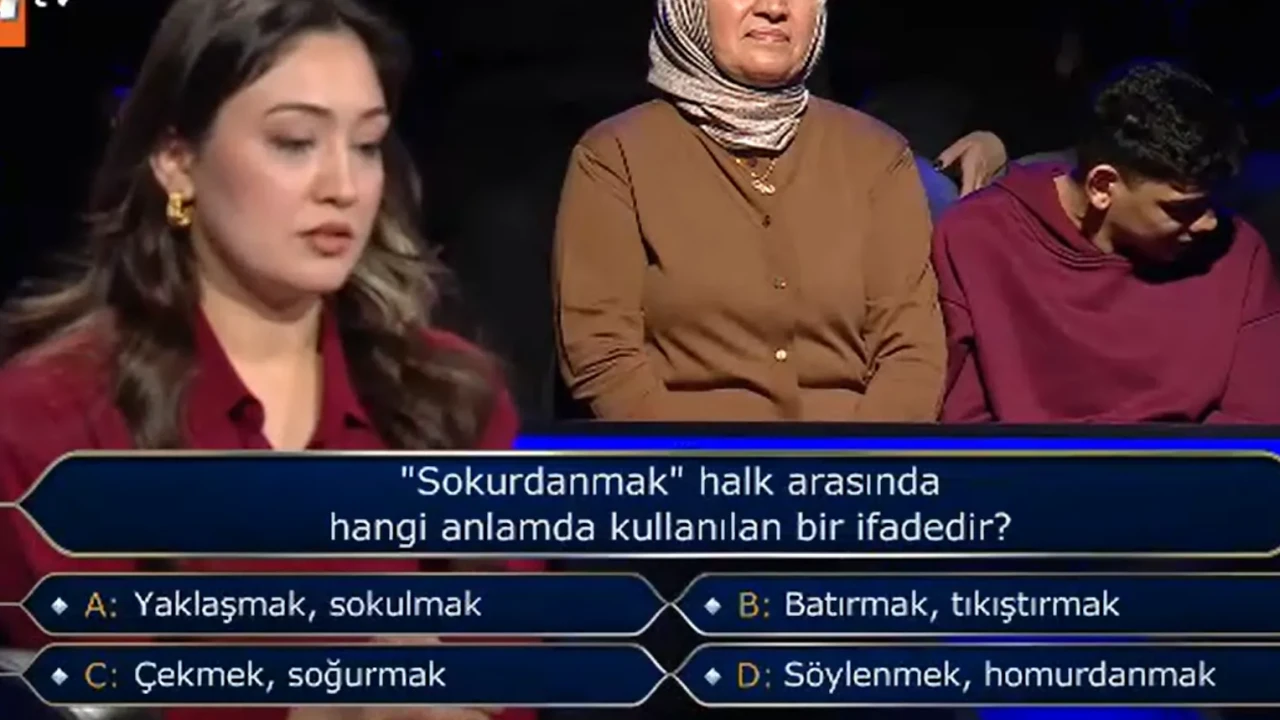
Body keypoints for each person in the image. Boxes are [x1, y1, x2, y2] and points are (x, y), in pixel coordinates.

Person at [0, 1, 534, 719]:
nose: (343, 186)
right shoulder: (52, 413)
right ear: (176, 162)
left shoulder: (455, 398)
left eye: (367, 145)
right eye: (294, 142)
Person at [553, 0, 945, 422]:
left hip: (855, 456)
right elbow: (602, 352)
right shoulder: (616, 156)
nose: (774, 8)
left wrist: (856, 458)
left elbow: (912, 354)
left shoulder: (877, 156)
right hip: (686, 457)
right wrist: (696, 458)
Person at [934, 61, 1280, 423]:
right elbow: (964, 425)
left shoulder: (1237, 252)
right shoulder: (979, 237)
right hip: (1024, 460)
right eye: (1182, 208)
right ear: (1102, 186)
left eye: (1211, 201)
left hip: (1193, 460)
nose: (1209, 223)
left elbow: (1254, 423)